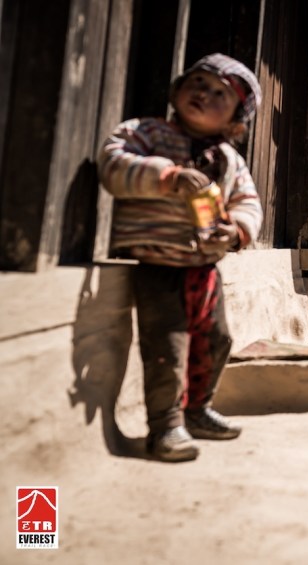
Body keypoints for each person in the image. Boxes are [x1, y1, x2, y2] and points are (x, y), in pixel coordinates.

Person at [98, 53, 263, 462]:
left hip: (206, 270)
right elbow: (113, 163)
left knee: (217, 341)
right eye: (199, 83)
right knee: (166, 348)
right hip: (158, 265)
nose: (204, 94)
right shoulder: (146, 132)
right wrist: (167, 176)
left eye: (220, 94)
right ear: (176, 91)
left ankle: (197, 410)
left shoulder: (230, 158)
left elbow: (248, 202)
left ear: (235, 122)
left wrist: (237, 230)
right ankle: (166, 426)